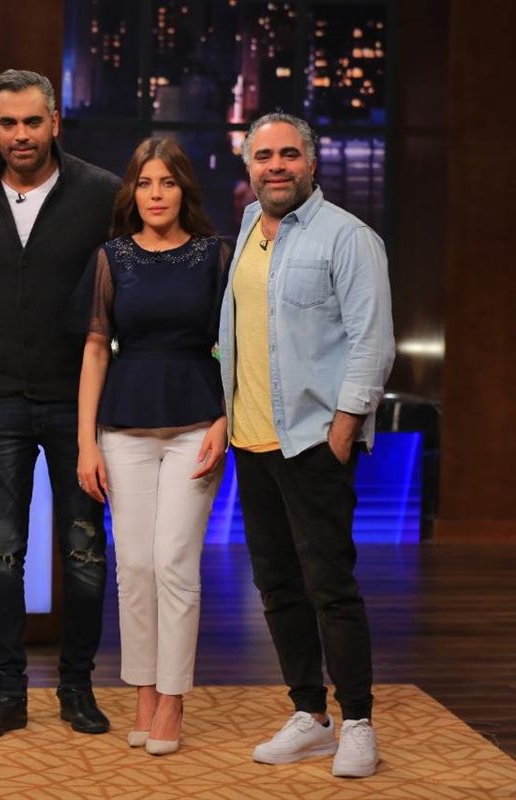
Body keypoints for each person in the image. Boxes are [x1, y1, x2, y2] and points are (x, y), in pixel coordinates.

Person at [0, 69, 121, 741]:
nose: (22, 134)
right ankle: (8, 691)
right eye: (9, 123)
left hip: (79, 401)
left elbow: (126, 285)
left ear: (54, 123)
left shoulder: (102, 193)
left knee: (83, 552)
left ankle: (77, 687)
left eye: (33, 122)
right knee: (0, 552)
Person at [218, 112, 394, 778]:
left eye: (289, 154)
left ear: (311, 163)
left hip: (313, 442)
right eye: (264, 156)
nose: (277, 166)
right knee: (277, 586)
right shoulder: (246, 228)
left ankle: (359, 722)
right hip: (250, 442)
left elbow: (373, 344)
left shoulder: (348, 237)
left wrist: (342, 432)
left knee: (330, 588)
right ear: (249, 167)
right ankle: (310, 715)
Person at [74, 137, 228, 756]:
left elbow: (235, 345)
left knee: (174, 562)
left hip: (197, 422)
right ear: (131, 192)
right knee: (135, 566)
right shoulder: (112, 257)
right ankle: (142, 690)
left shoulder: (215, 255)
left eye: (167, 182)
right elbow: (94, 349)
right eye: (144, 183)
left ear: (184, 190)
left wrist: (225, 419)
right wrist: (86, 443)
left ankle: (173, 697)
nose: (156, 194)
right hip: (124, 427)